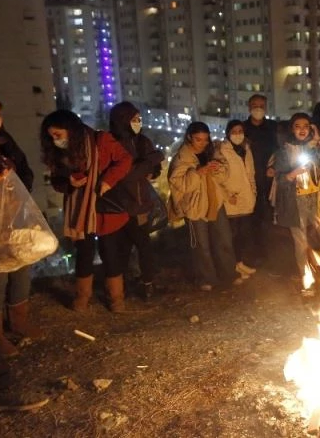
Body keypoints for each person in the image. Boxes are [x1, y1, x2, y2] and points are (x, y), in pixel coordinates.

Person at [41, 110, 133, 312]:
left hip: (104, 205)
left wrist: (108, 181)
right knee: (83, 252)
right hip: (80, 211)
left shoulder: (101, 140)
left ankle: (116, 298)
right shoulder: (60, 153)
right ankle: (82, 296)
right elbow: (57, 181)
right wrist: (69, 181)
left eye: (58, 134)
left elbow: (125, 160)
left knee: (110, 252)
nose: (55, 140)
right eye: (51, 136)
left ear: (70, 130)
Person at [271, 113, 320, 294]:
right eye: (298, 126)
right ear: (292, 128)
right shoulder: (283, 152)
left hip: (319, 199)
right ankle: (308, 281)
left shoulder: (316, 148)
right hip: (296, 202)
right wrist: (292, 174)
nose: (302, 130)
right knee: (302, 244)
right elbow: (279, 179)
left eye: (306, 126)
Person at [0, 97, 41, 359]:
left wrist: (13, 180)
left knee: (21, 268)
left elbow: (25, 172)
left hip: (14, 219)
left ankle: (19, 320)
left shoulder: (6, 142)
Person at [168, 122, 241, 291]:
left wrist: (216, 169)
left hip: (215, 202)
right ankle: (206, 279)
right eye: (198, 139)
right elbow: (179, 185)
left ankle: (229, 274)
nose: (202, 143)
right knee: (202, 245)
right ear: (189, 137)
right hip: (194, 206)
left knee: (224, 239)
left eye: (205, 139)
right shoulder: (182, 158)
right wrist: (199, 172)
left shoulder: (211, 153)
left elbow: (223, 176)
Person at [107, 101, 164, 300]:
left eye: (139, 119)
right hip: (119, 206)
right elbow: (126, 174)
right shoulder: (112, 144)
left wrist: (153, 169)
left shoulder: (142, 141)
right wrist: (152, 161)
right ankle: (120, 288)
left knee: (144, 246)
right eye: (134, 119)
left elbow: (152, 166)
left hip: (140, 204)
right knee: (122, 248)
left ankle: (147, 283)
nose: (138, 123)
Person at [218, 120, 257, 280]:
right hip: (231, 200)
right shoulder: (221, 150)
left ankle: (240, 263)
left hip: (246, 199)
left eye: (240, 131)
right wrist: (227, 195)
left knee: (242, 234)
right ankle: (232, 267)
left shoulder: (246, 149)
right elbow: (217, 177)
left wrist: (253, 191)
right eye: (234, 131)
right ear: (228, 133)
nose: (237, 134)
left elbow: (251, 173)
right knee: (231, 235)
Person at [244, 94, 278, 267]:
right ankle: (257, 253)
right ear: (249, 106)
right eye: (254, 105)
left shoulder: (273, 127)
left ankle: (275, 252)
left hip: (270, 179)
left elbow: (280, 151)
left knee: (273, 215)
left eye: (261, 105)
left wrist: (275, 167)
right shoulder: (242, 129)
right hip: (250, 181)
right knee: (254, 218)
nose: (258, 108)